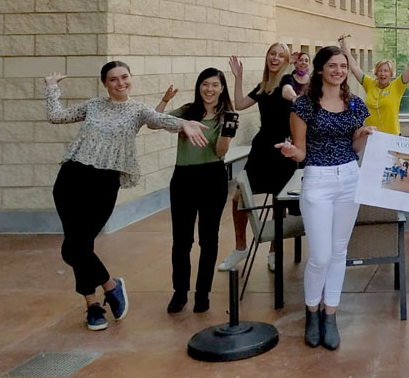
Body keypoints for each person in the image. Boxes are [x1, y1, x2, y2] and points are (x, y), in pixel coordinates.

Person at [44, 61, 209, 331]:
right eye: (113, 79)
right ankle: (95, 304)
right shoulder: (93, 105)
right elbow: (56, 116)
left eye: (124, 77)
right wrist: (51, 89)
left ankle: (110, 287)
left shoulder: (137, 110)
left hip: (104, 184)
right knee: (77, 245)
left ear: (131, 79)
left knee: (75, 248)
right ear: (105, 83)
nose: (120, 83)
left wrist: (183, 125)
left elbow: (160, 119)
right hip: (71, 179)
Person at [276, 46, 375, 351]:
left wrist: (364, 135)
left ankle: (330, 313)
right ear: (320, 69)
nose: (338, 70)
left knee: (338, 252)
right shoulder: (304, 106)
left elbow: (355, 148)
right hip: (317, 179)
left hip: (349, 177)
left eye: (343, 66)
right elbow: (302, 151)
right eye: (332, 65)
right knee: (319, 256)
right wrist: (294, 152)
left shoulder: (356, 104)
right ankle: (312, 311)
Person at [156, 68, 237, 313]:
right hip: (183, 178)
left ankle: (203, 294)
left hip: (212, 176)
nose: (209, 89)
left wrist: (226, 132)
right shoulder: (187, 111)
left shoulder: (228, 115)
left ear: (222, 88)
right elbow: (153, 122)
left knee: (208, 239)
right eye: (205, 84)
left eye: (215, 85)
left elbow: (221, 151)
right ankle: (180, 292)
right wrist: (165, 100)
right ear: (199, 86)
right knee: (181, 240)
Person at [218, 43, 296, 273]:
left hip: (282, 148)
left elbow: (289, 93)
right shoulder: (264, 85)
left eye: (281, 55)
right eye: (273, 53)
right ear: (267, 57)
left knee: (278, 200)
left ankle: (274, 251)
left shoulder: (286, 81)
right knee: (239, 196)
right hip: (261, 148)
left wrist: (295, 98)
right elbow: (240, 104)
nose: (275, 58)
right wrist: (238, 77)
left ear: (285, 61)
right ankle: (240, 247)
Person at [339, 33, 409, 135]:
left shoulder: (396, 86)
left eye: (386, 71)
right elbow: (354, 68)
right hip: (371, 137)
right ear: (376, 72)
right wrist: (345, 49)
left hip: (391, 137)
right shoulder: (370, 84)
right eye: (380, 70)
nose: (382, 74)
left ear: (391, 73)